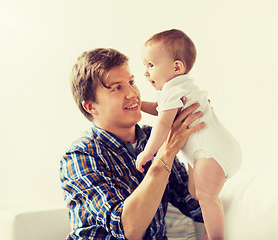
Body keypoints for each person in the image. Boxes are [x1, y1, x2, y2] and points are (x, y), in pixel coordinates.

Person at [60, 47, 206, 240]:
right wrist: (167, 151)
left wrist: (193, 141)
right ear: (90, 106)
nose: (132, 94)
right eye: (117, 88)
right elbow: (128, 229)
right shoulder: (80, 156)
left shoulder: (151, 137)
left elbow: (195, 207)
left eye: (131, 82)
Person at [136, 29, 242, 240]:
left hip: (211, 152)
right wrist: (138, 105)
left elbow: (164, 122)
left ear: (176, 66)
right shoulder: (181, 87)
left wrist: (148, 153)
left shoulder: (172, 90)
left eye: (150, 65)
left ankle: (215, 238)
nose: (145, 73)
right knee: (196, 194)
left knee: (206, 196)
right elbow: (160, 108)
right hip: (213, 151)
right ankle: (209, 234)